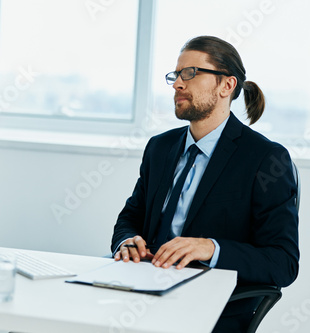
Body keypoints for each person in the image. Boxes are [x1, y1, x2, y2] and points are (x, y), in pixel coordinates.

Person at [111, 36, 299, 332]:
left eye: (191, 73)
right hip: (142, 293)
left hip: (208, 309)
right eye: (176, 75)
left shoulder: (266, 159)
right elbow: (130, 217)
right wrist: (127, 241)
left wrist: (211, 248)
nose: (177, 84)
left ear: (227, 86)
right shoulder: (160, 147)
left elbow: (282, 262)